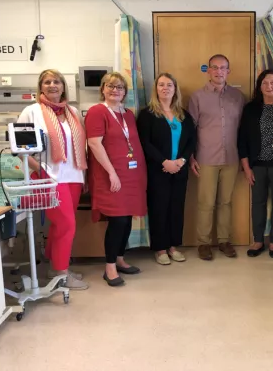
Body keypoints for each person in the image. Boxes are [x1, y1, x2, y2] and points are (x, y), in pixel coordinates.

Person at [17, 69, 88, 290]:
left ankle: (56, 266)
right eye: (46, 82)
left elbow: (81, 145)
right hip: (49, 177)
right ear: (41, 87)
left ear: (63, 86)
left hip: (73, 175)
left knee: (61, 226)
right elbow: (21, 150)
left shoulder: (73, 112)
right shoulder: (31, 112)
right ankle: (61, 273)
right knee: (66, 224)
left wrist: (84, 175)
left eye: (56, 81)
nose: (52, 85)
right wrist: (41, 170)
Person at [85, 72, 147, 287]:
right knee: (118, 219)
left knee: (127, 217)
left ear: (125, 92)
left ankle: (120, 258)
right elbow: (94, 144)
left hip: (131, 174)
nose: (115, 90)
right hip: (110, 173)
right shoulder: (97, 112)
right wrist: (112, 172)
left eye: (120, 87)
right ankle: (109, 266)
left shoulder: (128, 114)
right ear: (102, 89)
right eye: (110, 86)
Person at [188, 54, 246, 261]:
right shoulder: (197, 97)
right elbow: (190, 129)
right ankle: (203, 243)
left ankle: (224, 240)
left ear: (228, 71)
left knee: (226, 202)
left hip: (231, 158)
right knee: (205, 203)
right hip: (206, 157)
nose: (219, 71)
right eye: (215, 67)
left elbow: (242, 129)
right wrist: (191, 157)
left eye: (223, 68)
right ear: (208, 71)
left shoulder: (238, 97)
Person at [137, 73, 196, 265]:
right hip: (157, 170)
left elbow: (191, 141)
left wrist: (182, 161)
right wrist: (164, 162)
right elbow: (145, 142)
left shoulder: (184, 115)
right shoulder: (147, 114)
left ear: (175, 89)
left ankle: (173, 246)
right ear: (156, 89)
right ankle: (160, 248)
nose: (165, 88)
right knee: (159, 208)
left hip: (180, 170)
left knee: (176, 208)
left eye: (169, 85)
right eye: (161, 85)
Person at [238, 69, 273, 258]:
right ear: (259, 86)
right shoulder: (251, 108)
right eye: (265, 83)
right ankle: (258, 240)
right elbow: (242, 139)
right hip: (257, 165)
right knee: (258, 203)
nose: (269, 86)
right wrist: (246, 168)